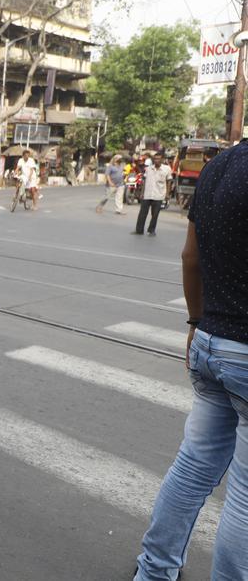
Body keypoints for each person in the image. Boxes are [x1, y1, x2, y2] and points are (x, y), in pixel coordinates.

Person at [133, 140, 248, 581]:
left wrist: (196, 321)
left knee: (192, 466)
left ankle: (155, 571)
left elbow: (190, 257)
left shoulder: (220, 166)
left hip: (209, 342)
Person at [133, 152, 171, 236]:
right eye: (155, 159)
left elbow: (168, 181)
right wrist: (142, 193)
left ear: (162, 160)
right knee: (142, 213)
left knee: (155, 214)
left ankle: (151, 230)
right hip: (147, 194)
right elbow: (144, 181)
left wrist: (167, 194)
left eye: (158, 159)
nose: (156, 160)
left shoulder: (167, 169)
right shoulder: (148, 169)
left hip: (159, 195)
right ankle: (139, 230)